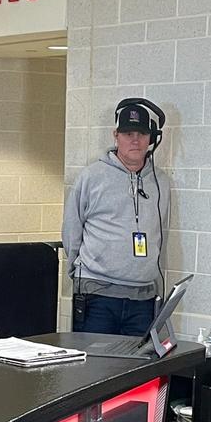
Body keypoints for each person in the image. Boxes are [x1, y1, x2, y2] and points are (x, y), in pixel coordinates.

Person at [63, 98, 172, 337]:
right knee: (95, 370)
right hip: (98, 294)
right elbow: (72, 230)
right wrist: (78, 271)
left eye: (141, 134)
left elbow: (160, 232)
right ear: (116, 136)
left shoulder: (160, 182)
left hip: (143, 297)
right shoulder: (91, 176)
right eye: (128, 133)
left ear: (151, 139)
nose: (135, 140)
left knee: (137, 372)